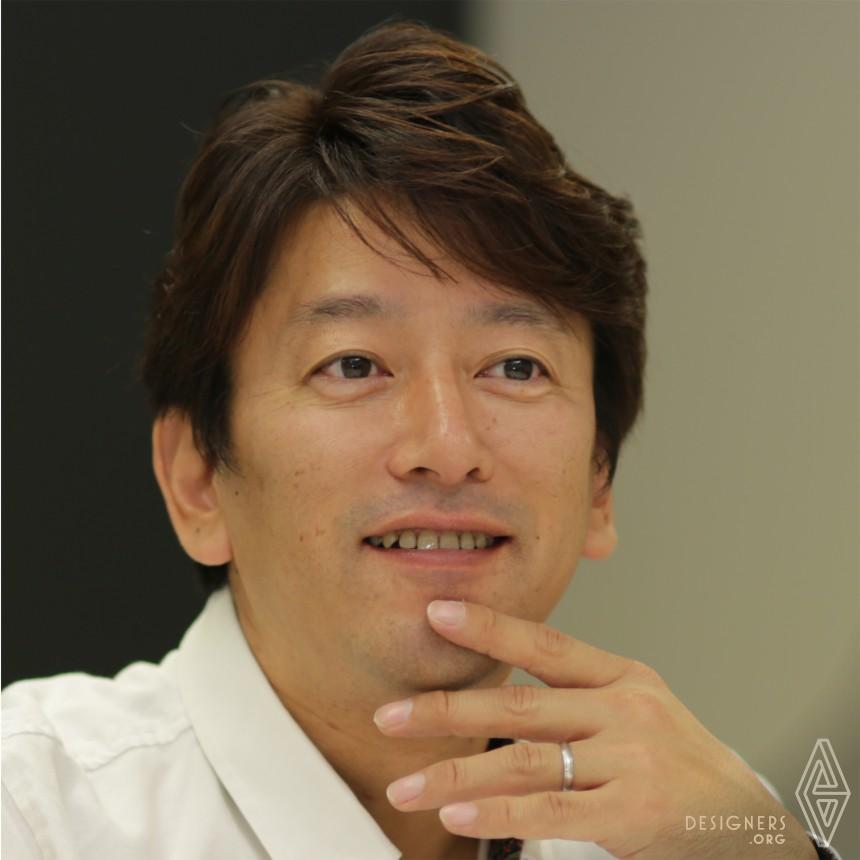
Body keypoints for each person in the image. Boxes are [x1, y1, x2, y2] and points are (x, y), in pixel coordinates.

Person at [1, 21, 841, 860]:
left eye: (515, 367)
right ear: (197, 481)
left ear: (598, 481)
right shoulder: (37, 813)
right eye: (353, 365)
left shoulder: (698, 831)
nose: (446, 444)